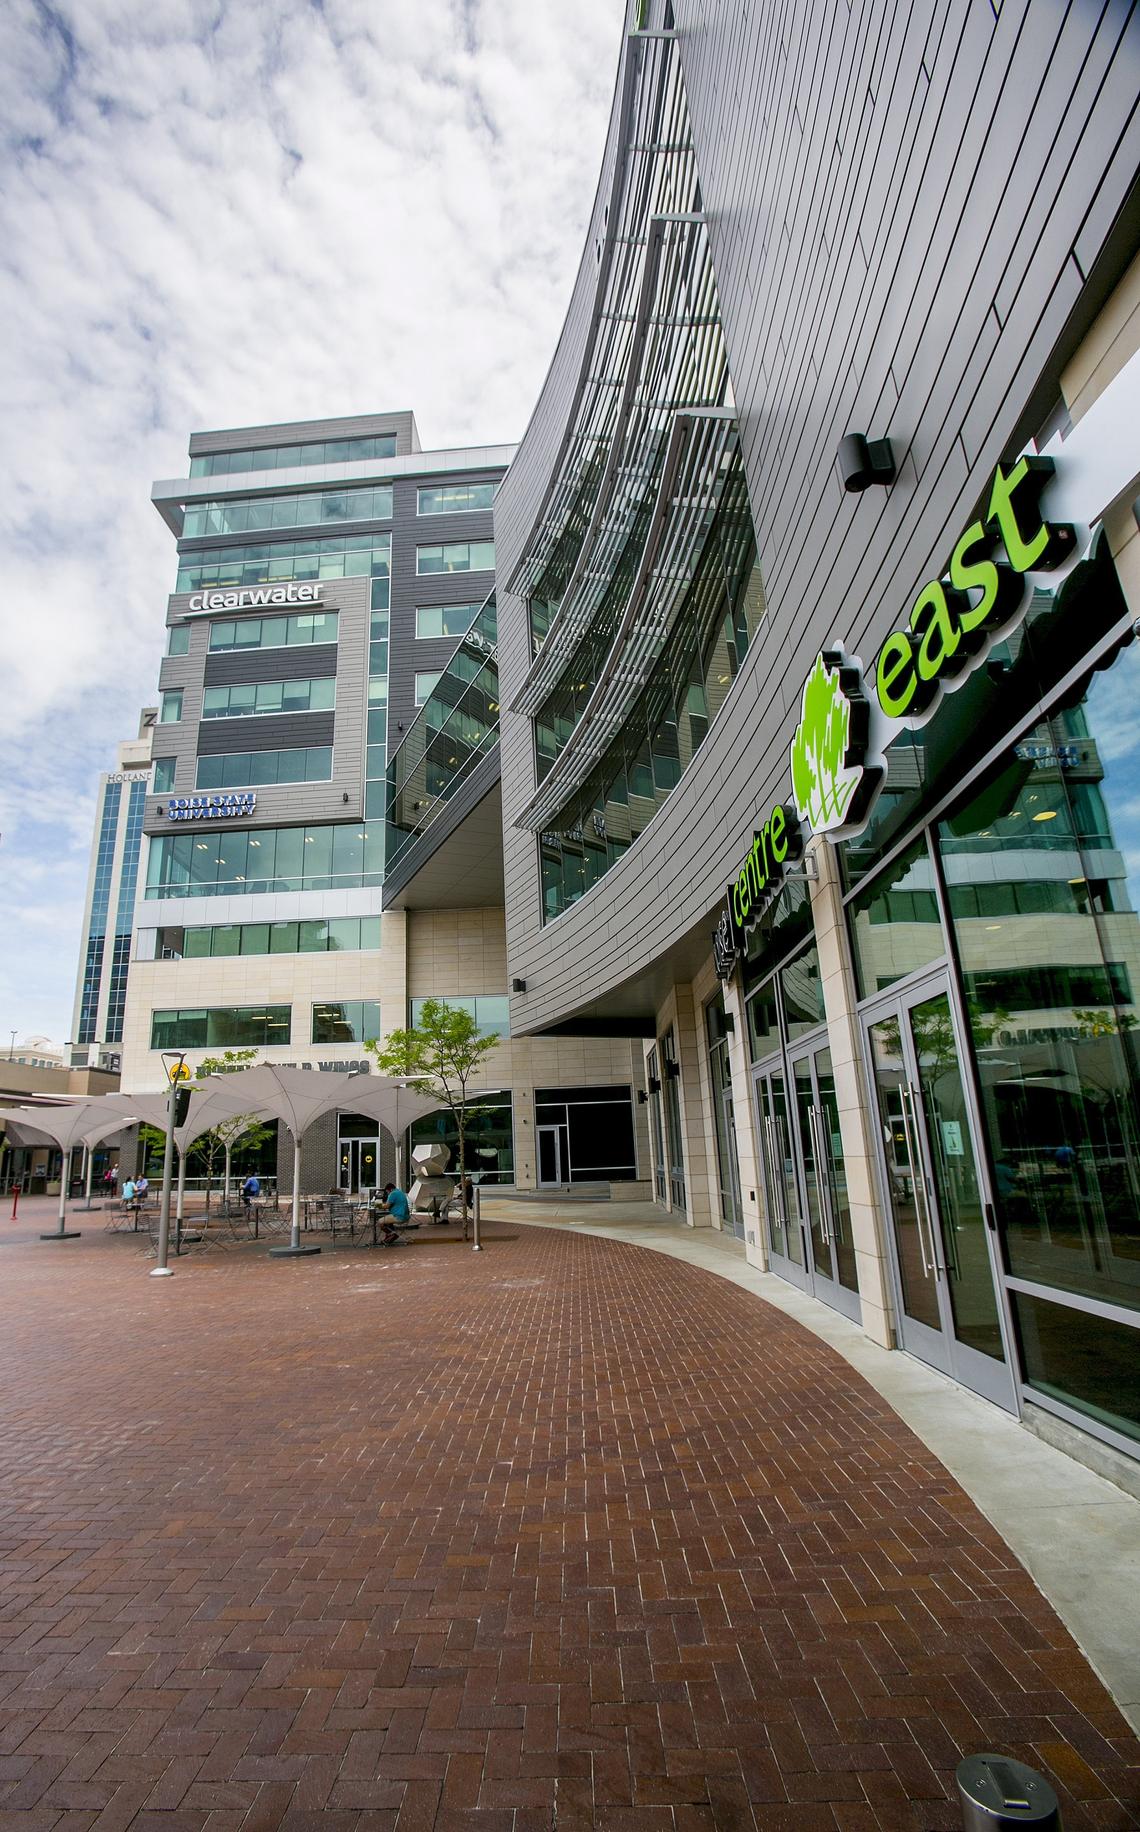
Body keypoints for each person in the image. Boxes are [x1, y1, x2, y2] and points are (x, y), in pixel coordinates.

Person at [374, 1182, 410, 1247]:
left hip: (399, 1216)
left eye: (387, 1192)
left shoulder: (392, 1194)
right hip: (405, 1215)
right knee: (387, 1222)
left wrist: (377, 1205)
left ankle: (392, 1234)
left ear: (390, 1189)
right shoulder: (399, 1192)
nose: (387, 1194)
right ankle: (389, 1238)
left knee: (379, 1222)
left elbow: (386, 1206)